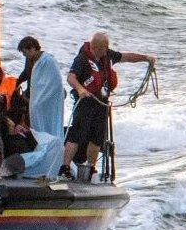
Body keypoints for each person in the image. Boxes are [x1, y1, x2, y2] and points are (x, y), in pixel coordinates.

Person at [60, 32, 156, 180]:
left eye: (107, 48)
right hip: (85, 102)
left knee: (97, 137)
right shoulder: (82, 59)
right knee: (76, 135)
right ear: (95, 47)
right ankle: (64, 168)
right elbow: (71, 77)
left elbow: (126, 57)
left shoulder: (107, 55)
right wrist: (80, 89)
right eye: (104, 48)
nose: (107, 50)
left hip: (102, 104)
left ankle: (91, 169)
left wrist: (145, 58)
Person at [0, 37, 65, 178]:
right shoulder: (32, 60)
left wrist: (39, 100)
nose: (24, 56)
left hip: (48, 103)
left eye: (25, 52)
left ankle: (53, 157)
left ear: (33, 48)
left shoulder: (48, 61)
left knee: (50, 130)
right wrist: (16, 83)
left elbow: (55, 84)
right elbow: (27, 75)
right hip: (35, 100)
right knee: (37, 132)